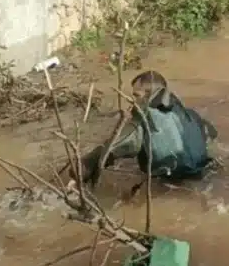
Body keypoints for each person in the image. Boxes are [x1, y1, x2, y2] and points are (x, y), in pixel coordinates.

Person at [79, 70, 219, 187]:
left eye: (136, 96)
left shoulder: (144, 120)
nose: (132, 101)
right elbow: (212, 134)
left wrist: (81, 169)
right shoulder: (191, 115)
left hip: (169, 185)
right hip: (204, 177)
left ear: (149, 95)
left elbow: (112, 148)